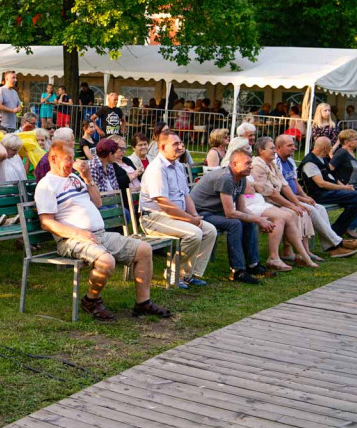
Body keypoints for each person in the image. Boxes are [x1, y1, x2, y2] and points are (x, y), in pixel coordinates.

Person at [35, 140, 171, 321]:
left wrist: (88, 178)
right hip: (71, 239)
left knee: (144, 250)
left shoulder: (75, 178)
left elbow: (97, 203)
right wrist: (79, 233)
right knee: (107, 262)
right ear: (53, 158)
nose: (73, 163)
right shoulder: (47, 185)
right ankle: (91, 300)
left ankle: (143, 303)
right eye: (69, 159)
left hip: (99, 234)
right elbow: (46, 223)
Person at [139, 131, 217, 288]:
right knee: (194, 233)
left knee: (210, 231)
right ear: (162, 147)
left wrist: (195, 216)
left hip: (174, 217)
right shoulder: (157, 169)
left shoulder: (178, 166)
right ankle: (173, 274)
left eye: (181, 143)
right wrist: (190, 220)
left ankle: (188, 274)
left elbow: (186, 196)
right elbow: (164, 203)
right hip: (154, 219)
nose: (181, 146)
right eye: (176, 144)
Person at [189, 148, 272, 284]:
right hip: (199, 214)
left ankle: (253, 265)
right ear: (234, 164)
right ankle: (237, 271)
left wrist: (259, 220)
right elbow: (230, 213)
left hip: (216, 213)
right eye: (247, 163)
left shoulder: (241, 178)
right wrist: (259, 219)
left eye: (251, 163)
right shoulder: (226, 178)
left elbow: (241, 208)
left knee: (248, 221)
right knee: (234, 223)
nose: (251, 166)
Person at [273, 134, 357, 258]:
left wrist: (304, 196)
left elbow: (295, 182)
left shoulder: (290, 161)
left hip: (296, 197)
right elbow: (282, 188)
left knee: (321, 208)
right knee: (311, 210)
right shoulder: (276, 162)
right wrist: (300, 199)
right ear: (278, 147)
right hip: (285, 199)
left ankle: (331, 247)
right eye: (290, 146)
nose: (294, 148)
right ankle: (337, 243)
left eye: (294, 145)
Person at [246, 137, 318, 270]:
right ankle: (279, 256)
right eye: (271, 148)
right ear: (261, 150)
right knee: (291, 213)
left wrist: (297, 203)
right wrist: (293, 205)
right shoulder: (258, 165)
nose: (274, 151)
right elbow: (270, 193)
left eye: (274, 147)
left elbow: (284, 185)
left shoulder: (272, 163)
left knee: (300, 211)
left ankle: (302, 253)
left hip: (272, 201)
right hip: (265, 201)